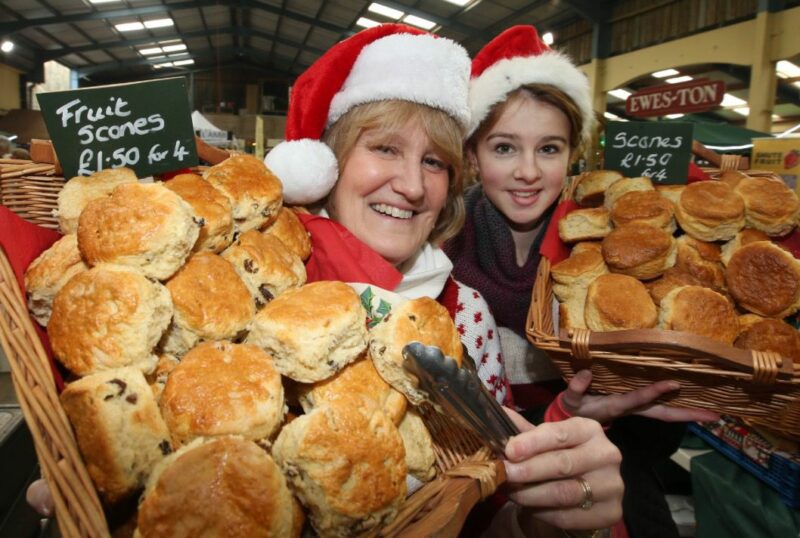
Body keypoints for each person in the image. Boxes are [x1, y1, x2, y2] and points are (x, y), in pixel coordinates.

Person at [264, 23, 623, 533]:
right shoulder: (262, 289)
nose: (412, 186)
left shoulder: (467, 313)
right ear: (328, 162)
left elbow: (487, 502)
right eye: (385, 148)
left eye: (433, 161)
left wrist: (547, 517)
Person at [444, 26, 719, 537]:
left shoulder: (611, 254)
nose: (528, 171)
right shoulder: (440, 256)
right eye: (505, 148)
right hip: (483, 491)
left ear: (572, 154)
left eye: (548, 149)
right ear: (472, 154)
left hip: (615, 474)